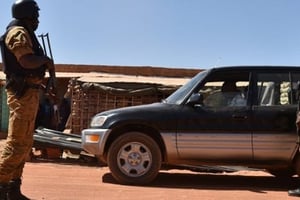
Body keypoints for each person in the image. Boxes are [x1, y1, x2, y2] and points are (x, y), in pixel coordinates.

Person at [0, 0, 55, 199]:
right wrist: (45, 61)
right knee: (16, 144)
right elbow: (25, 60)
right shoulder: (18, 33)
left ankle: (13, 189)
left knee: (25, 144)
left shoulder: (25, 32)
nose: (38, 20)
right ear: (28, 14)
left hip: (29, 94)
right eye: (36, 15)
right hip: (21, 95)